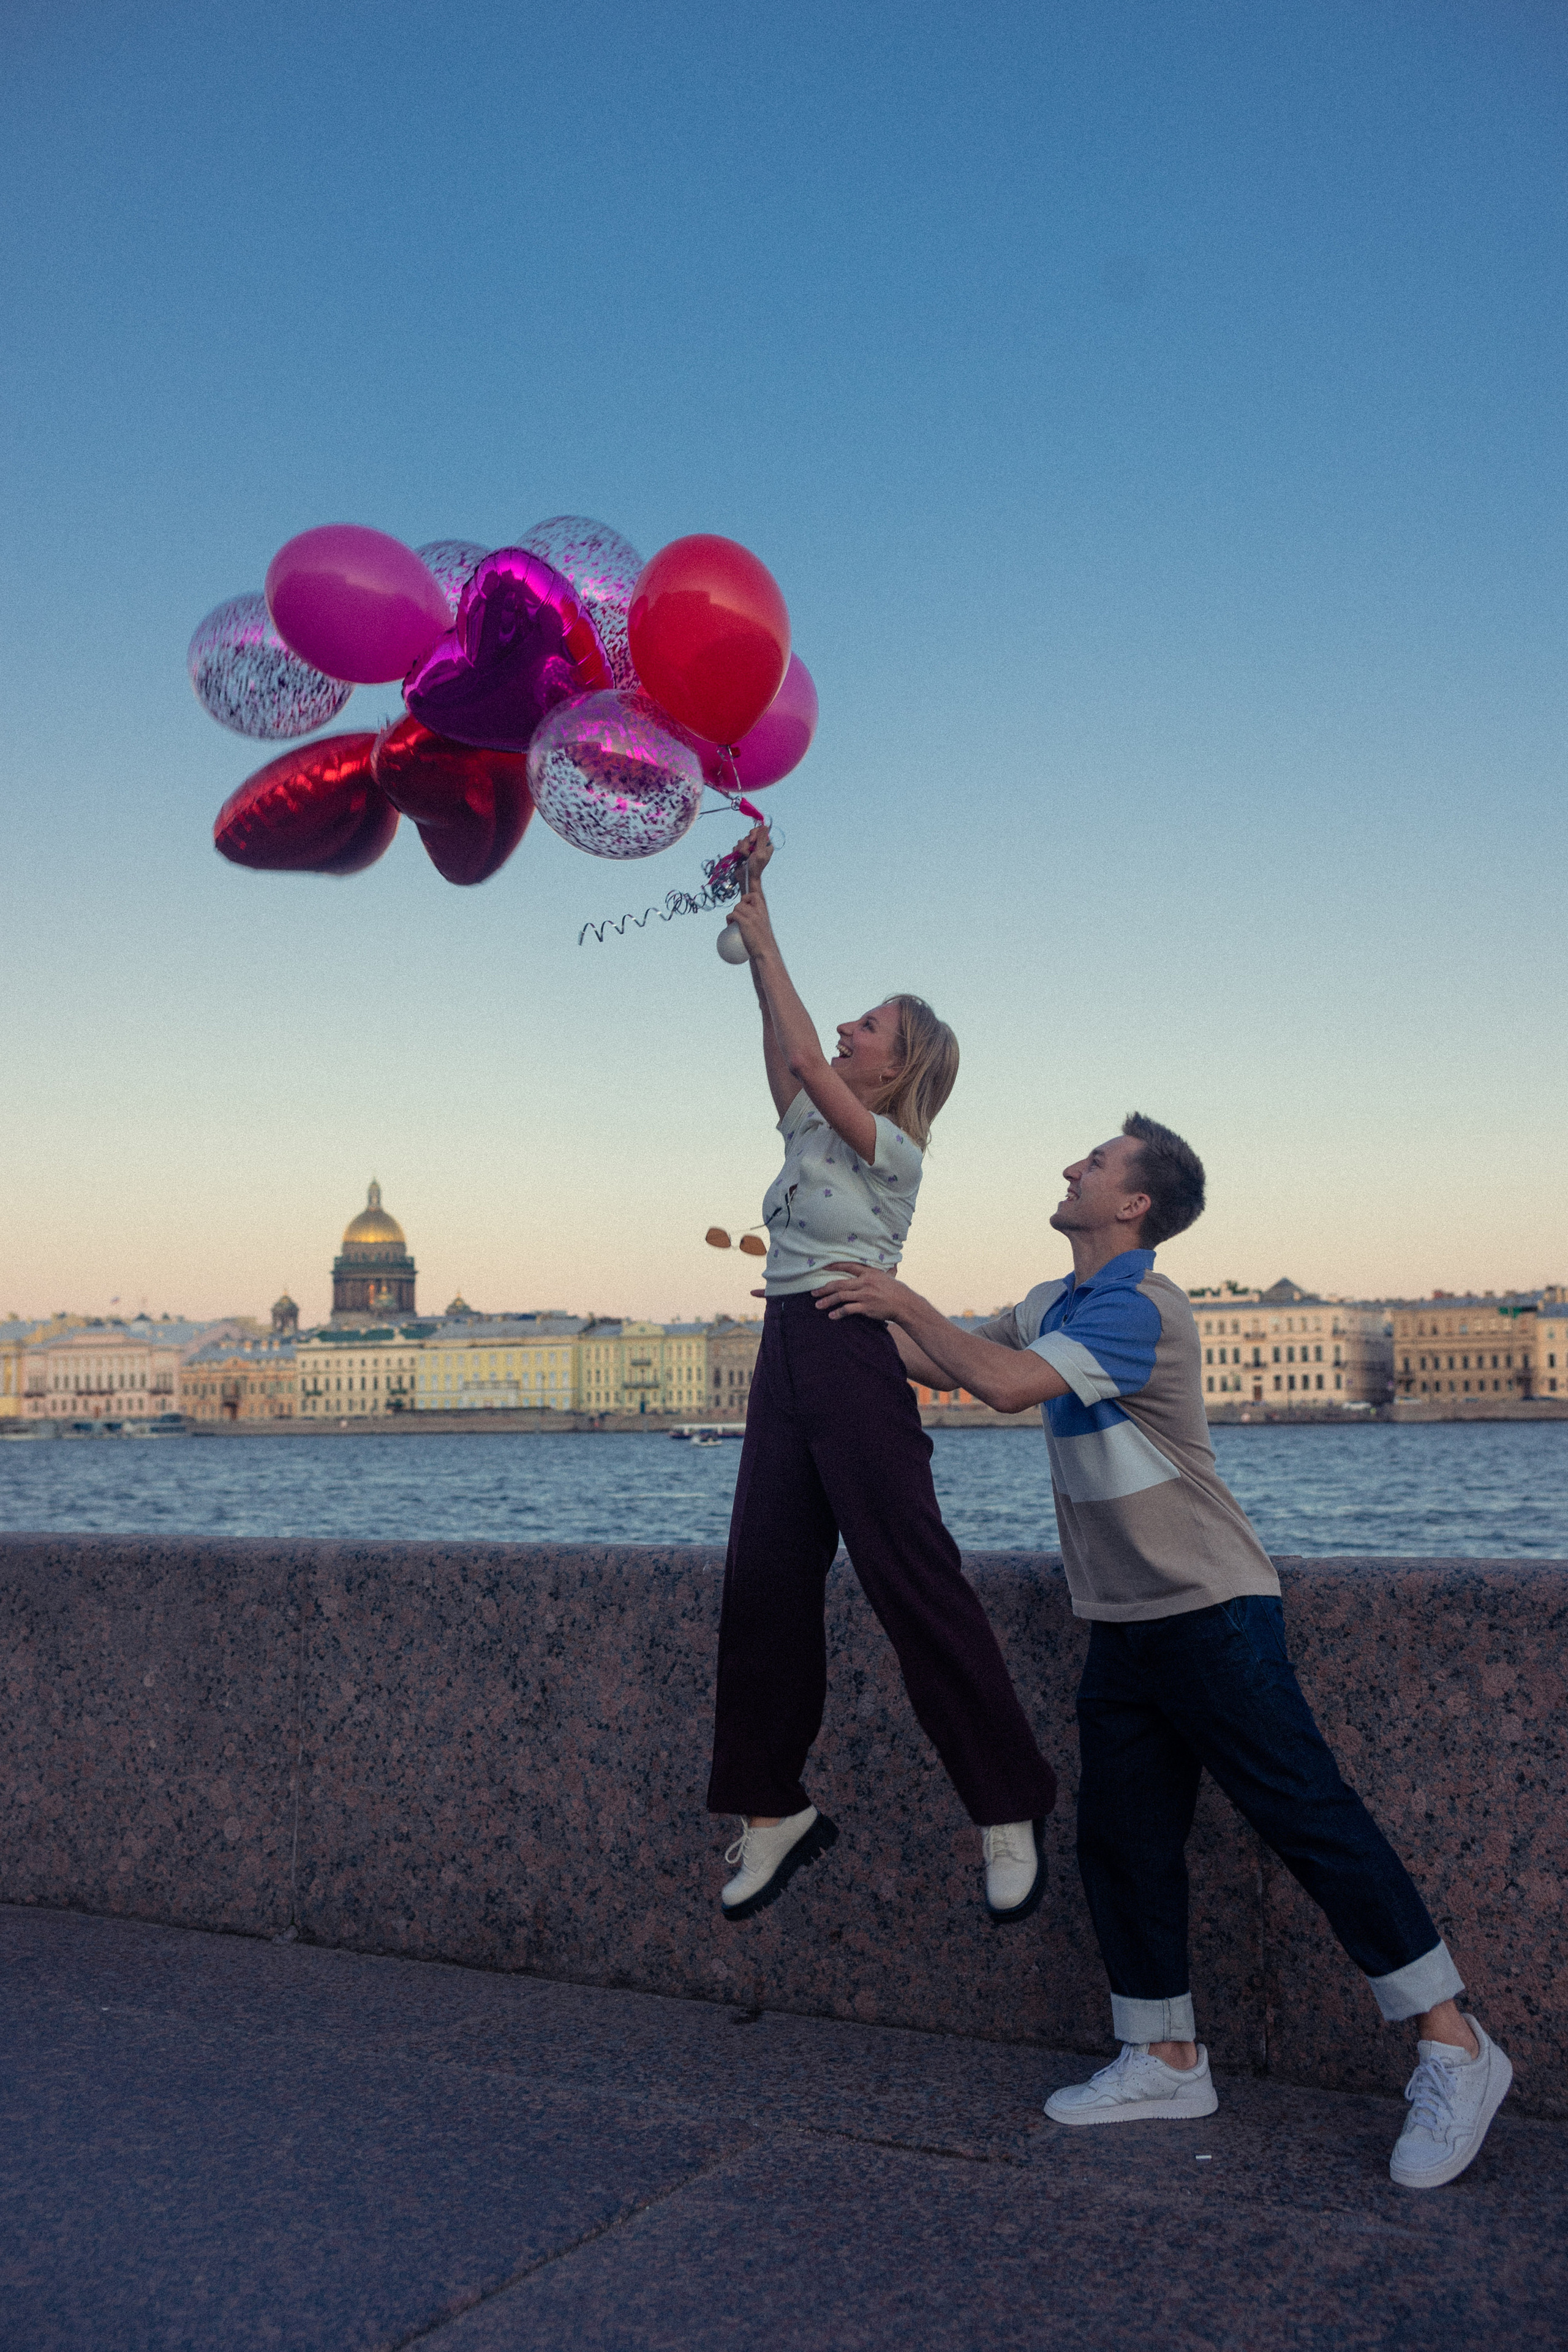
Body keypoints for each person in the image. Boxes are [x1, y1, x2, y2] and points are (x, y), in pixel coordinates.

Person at [814, 1114, 1512, 2192]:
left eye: (1093, 1164)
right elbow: (947, 1361)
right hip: (1124, 1618)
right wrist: (826, 1300)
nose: (1069, 1167)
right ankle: (1166, 2056)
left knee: (1309, 1821)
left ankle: (1456, 2046)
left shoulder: (1142, 1308)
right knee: (1124, 1841)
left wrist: (900, 1298)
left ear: (1136, 1204)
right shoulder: (1054, 1303)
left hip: (1210, 1606)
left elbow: (1004, 1387)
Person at [707, 826, 1056, 1926]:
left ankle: (1007, 1803)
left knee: (911, 1579)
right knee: (763, 1581)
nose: (847, 1028)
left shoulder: (893, 1151)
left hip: (854, 1350)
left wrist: (761, 927)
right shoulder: (811, 1122)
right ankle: (772, 1812)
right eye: (850, 1015)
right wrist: (754, 900)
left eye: (870, 1024)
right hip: (784, 1350)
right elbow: (786, 1047)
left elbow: (806, 1050)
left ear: (894, 1066)